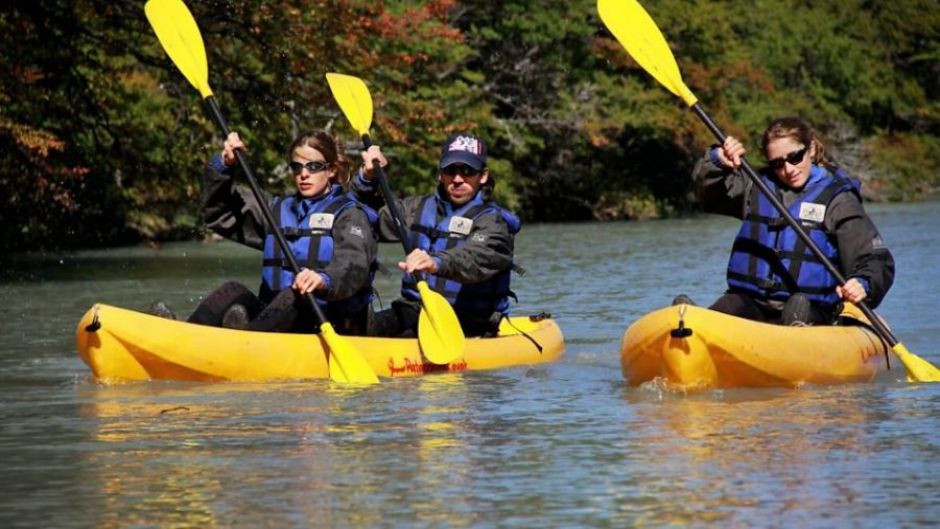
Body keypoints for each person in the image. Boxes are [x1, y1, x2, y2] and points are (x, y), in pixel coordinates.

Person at [151, 130, 378, 335]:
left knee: (295, 295)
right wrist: (224, 166)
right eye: (296, 167)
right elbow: (219, 213)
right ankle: (183, 335)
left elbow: (354, 265)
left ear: (331, 170)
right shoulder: (276, 210)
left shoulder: (350, 215)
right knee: (232, 290)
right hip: (273, 314)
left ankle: (244, 341)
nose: (303, 174)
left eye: (313, 166)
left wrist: (323, 279)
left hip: (326, 319)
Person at [687, 116, 894, 326]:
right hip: (754, 303)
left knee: (798, 306)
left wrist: (863, 283)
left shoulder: (838, 200)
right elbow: (709, 196)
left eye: (795, 157)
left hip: (813, 310)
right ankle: (693, 326)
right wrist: (717, 160)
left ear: (811, 149)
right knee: (730, 304)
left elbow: (874, 257)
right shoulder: (755, 186)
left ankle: (793, 341)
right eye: (777, 163)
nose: (788, 169)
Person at [350, 133, 521, 337]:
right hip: (415, 310)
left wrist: (435, 262)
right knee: (359, 326)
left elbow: (475, 258)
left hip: (470, 320)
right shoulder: (416, 209)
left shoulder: (494, 223)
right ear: (440, 174)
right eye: (450, 170)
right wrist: (366, 180)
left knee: (406, 337)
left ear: (482, 176)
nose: (457, 179)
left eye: (467, 171)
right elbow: (363, 218)